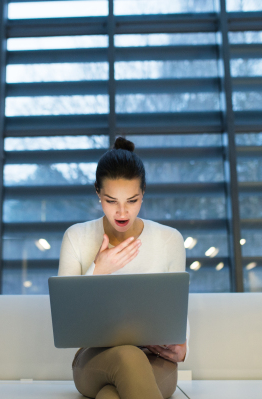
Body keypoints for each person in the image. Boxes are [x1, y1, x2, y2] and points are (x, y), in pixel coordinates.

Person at [58, 136, 189, 399]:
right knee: (127, 355)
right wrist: (100, 269)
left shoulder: (169, 239)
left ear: (143, 194)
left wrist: (181, 346)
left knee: (110, 396)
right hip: (94, 359)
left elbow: (177, 306)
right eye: (111, 200)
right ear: (98, 193)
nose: (122, 212)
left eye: (132, 200)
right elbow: (65, 318)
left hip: (155, 361)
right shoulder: (77, 237)